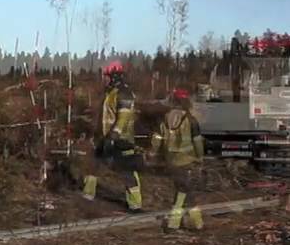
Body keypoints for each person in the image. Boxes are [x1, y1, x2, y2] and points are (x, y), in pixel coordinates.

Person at [81, 61, 143, 212]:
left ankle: (135, 206)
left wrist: (113, 136)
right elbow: (103, 117)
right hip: (106, 138)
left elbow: (123, 118)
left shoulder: (124, 93)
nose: (104, 79)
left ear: (114, 76)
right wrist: (94, 134)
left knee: (127, 172)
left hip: (121, 141)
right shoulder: (110, 93)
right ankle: (87, 197)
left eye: (107, 77)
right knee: (93, 166)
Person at [151, 88, 206, 231]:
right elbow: (198, 142)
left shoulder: (164, 119)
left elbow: (156, 139)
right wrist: (200, 157)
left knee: (184, 191)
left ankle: (196, 223)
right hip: (186, 161)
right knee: (184, 192)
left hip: (171, 161)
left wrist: (153, 154)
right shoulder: (191, 120)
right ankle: (176, 224)